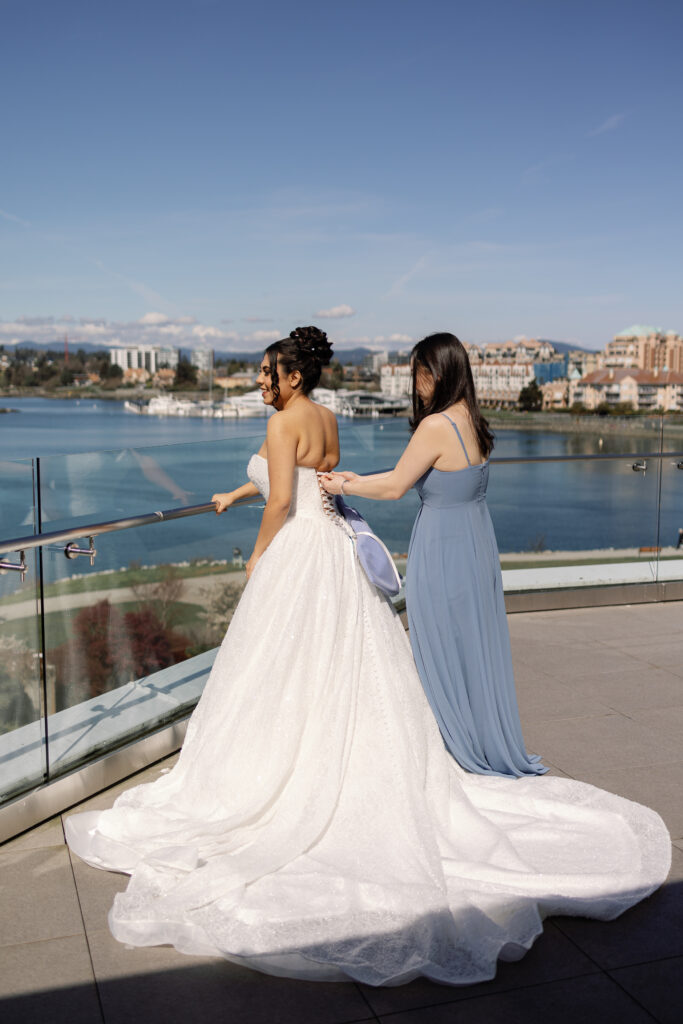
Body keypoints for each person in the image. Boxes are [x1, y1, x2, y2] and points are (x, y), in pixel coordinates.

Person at [65, 326, 670, 987]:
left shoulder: (293, 423)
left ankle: (288, 765)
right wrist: (244, 494)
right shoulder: (330, 417)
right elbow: (315, 485)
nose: (260, 381)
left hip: (299, 551)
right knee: (346, 659)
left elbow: (285, 499)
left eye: (267, 372)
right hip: (335, 548)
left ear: (292, 376)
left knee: (280, 666)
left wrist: (259, 557)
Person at [322, 332, 544, 778]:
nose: (415, 383)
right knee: (471, 644)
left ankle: (451, 740)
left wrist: (343, 485)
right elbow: (409, 473)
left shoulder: (435, 425)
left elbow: (396, 486)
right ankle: (478, 735)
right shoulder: (471, 419)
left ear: (438, 373)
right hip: (475, 543)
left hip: (442, 547)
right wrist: (356, 479)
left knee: (438, 642)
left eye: (418, 373)